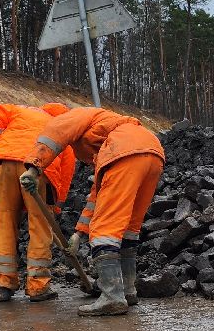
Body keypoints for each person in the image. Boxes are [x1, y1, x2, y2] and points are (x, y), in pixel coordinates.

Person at [21, 106, 164, 316]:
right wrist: (79, 234)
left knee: (105, 229)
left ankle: (112, 297)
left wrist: (34, 167)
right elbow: (97, 197)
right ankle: (126, 289)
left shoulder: (79, 115)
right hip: (153, 152)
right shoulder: (112, 132)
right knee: (128, 228)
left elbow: (56, 132)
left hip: (124, 150)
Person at [0, 102, 76, 302]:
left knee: (5, 220)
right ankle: (37, 286)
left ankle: (4, 283)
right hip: (36, 168)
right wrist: (56, 204)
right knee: (40, 224)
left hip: (2, 162)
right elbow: (66, 170)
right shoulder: (61, 128)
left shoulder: (20, 112)